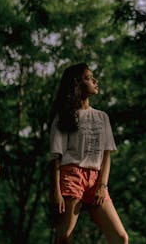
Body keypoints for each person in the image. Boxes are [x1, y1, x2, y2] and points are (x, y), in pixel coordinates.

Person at [49, 63, 128, 244]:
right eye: (88, 78)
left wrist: (102, 185)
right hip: (71, 176)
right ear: (77, 84)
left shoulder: (102, 117)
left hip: (96, 180)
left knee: (121, 238)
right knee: (64, 237)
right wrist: (56, 192)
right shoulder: (64, 116)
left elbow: (106, 155)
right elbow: (56, 158)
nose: (95, 81)